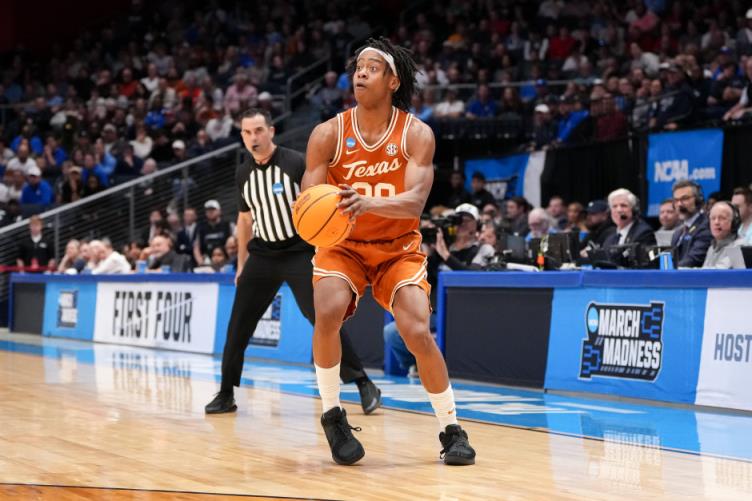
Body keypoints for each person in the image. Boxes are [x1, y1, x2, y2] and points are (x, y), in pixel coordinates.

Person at [303, 37, 475, 466]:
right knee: (327, 312)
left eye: (372, 67)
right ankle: (332, 415)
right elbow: (309, 199)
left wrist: (366, 203)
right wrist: (309, 210)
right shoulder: (328, 133)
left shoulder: (416, 134)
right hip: (343, 245)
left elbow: (415, 203)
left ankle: (452, 428)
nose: (361, 72)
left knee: (416, 331)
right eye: (358, 66)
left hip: (397, 248)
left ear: (393, 81)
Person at [204, 108, 381, 417]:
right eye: (247, 132)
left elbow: (323, 203)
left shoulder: (296, 163)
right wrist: (242, 264)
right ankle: (226, 392)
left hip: (299, 252)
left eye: (259, 130)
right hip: (262, 255)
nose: (253, 137)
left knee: (323, 319)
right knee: (238, 325)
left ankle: (363, 383)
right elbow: (244, 220)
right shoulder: (243, 173)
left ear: (271, 131)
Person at [670, 180, 712, 268]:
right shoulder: (678, 232)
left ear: (698, 200)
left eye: (685, 198)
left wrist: (672, 271)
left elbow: (694, 259)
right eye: (676, 200)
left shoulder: (706, 226)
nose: (679, 204)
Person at [702, 202, 745, 269]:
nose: (716, 222)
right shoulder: (712, 248)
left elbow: (720, 272)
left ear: (734, 222)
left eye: (722, 218)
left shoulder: (739, 246)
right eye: (713, 218)